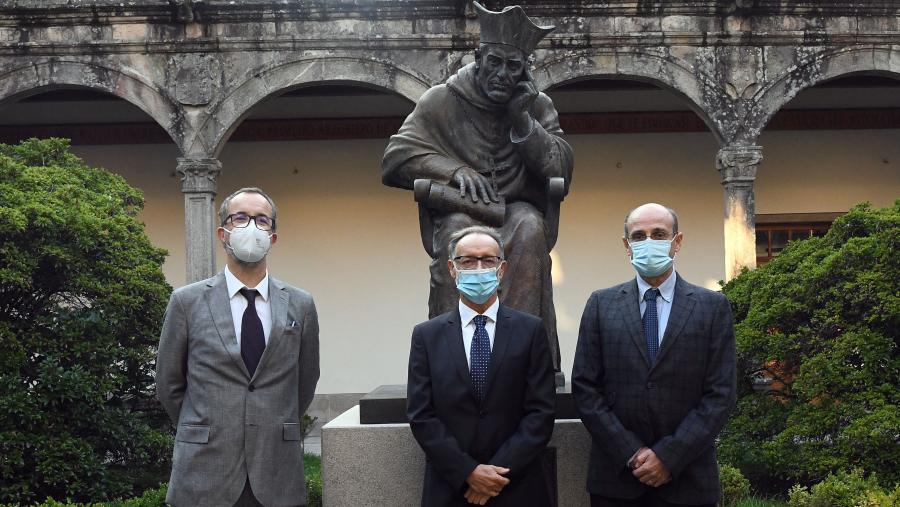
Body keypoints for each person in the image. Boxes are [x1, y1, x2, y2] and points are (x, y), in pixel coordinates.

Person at [382, 2, 574, 370]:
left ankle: (522, 360)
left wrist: (522, 121)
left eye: (513, 66)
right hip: (461, 209)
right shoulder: (441, 99)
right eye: (494, 63)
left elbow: (559, 168)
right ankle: (453, 360)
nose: (502, 74)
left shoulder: (536, 105)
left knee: (531, 228)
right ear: (478, 57)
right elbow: (395, 159)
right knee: (459, 236)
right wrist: (453, 170)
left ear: (524, 71)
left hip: (516, 210)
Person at [156, 187, 320, 507]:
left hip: (276, 469)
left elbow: (306, 380)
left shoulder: (300, 304)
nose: (251, 227)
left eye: (262, 220)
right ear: (223, 233)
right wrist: (205, 423)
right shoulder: (187, 302)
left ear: (273, 236)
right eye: (241, 218)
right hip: (205, 469)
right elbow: (168, 384)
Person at [572, 203, 737, 507]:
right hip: (617, 481)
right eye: (639, 235)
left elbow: (721, 393)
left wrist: (669, 456)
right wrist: (631, 453)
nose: (648, 242)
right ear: (627, 245)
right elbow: (585, 389)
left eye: (659, 233)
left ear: (677, 242)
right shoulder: (600, 305)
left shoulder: (712, 307)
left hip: (688, 481)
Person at [406, 226, 556, 507]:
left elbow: (541, 412)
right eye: (467, 261)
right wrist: (468, 472)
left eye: (488, 260)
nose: (478, 268)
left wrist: (495, 474)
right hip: (451, 489)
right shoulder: (426, 336)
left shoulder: (531, 330)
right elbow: (421, 415)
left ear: (502, 268)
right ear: (452, 268)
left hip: (517, 486)